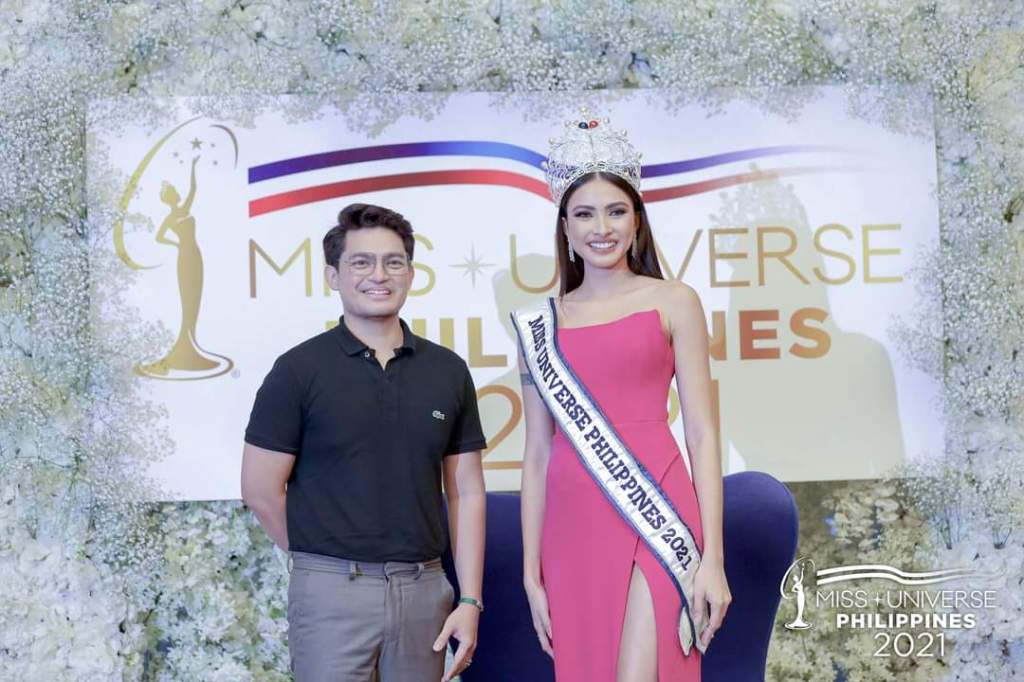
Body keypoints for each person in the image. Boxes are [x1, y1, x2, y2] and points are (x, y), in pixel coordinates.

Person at [514, 113, 731, 681]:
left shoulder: (674, 300)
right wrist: (530, 573)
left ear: (637, 219)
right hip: (571, 523)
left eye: (615, 211)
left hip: (656, 506)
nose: (601, 227)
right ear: (565, 227)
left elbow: (702, 431)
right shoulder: (539, 324)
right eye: (584, 214)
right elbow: (536, 453)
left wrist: (713, 557)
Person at [241, 203, 487, 682]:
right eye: (362, 262)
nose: (379, 275)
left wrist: (470, 599)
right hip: (330, 594)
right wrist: (320, 560)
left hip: (424, 590)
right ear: (333, 275)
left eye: (393, 262)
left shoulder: (447, 371)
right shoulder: (298, 370)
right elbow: (260, 489)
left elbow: (467, 490)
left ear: (411, 273)